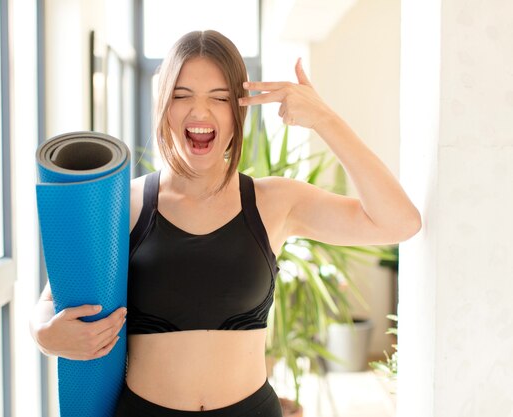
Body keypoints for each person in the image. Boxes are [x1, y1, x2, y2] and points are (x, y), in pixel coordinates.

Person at [30, 30, 421, 416]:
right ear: (164, 106)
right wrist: (45, 334)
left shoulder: (275, 202)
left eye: (219, 98)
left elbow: (397, 222)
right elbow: (51, 302)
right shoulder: (124, 205)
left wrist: (324, 119)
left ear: (238, 113)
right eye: (182, 96)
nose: (200, 113)